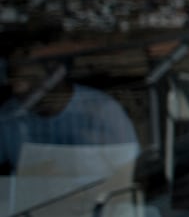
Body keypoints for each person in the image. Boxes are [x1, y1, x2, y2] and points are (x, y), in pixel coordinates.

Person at [0, 30, 139, 173]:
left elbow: (129, 172)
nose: (17, 89)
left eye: (27, 79)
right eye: (13, 80)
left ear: (56, 72)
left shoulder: (102, 111)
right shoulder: (9, 115)